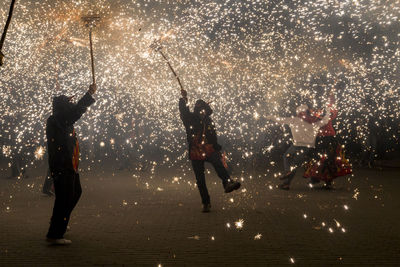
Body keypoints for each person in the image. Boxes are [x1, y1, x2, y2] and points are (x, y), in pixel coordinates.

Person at [46, 84, 96, 245]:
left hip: (69, 165)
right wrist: (88, 94)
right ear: (62, 107)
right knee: (64, 198)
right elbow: (75, 112)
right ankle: (55, 234)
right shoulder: (57, 119)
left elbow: (74, 113)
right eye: (68, 103)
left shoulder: (62, 119)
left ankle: (59, 223)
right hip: (62, 166)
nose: (71, 104)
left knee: (74, 193)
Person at [179, 89, 241, 212]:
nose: (203, 113)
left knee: (218, 164)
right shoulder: (190, 119)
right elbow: (184, 111)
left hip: (208, 149)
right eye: (201, 110)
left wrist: (216, 148)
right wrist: (184, 99)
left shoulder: (208, 120)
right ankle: (206, 203)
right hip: (196, 152)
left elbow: (213, 136)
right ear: (197, 111)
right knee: (200, 179)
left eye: (204, 111)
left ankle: (227, 183)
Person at [267, 104, 331, 190]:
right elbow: (325, 121)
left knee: (286, 157)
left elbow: (280, 120)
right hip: (307, 147)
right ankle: (286, 181)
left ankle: (287, 175)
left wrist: (270, 117)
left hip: (296, 145)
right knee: (294, 165)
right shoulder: (313, 122)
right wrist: (328, 111)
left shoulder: (294, 120)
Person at [303, 91, 352, 189]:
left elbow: (332, 110)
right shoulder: (312, 113)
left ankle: (327, 181)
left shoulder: (327, 110)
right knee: (317, 159)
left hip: (329, 138)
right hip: (319, 138)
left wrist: (331, 95)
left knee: (329, 159)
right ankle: (315, 178)